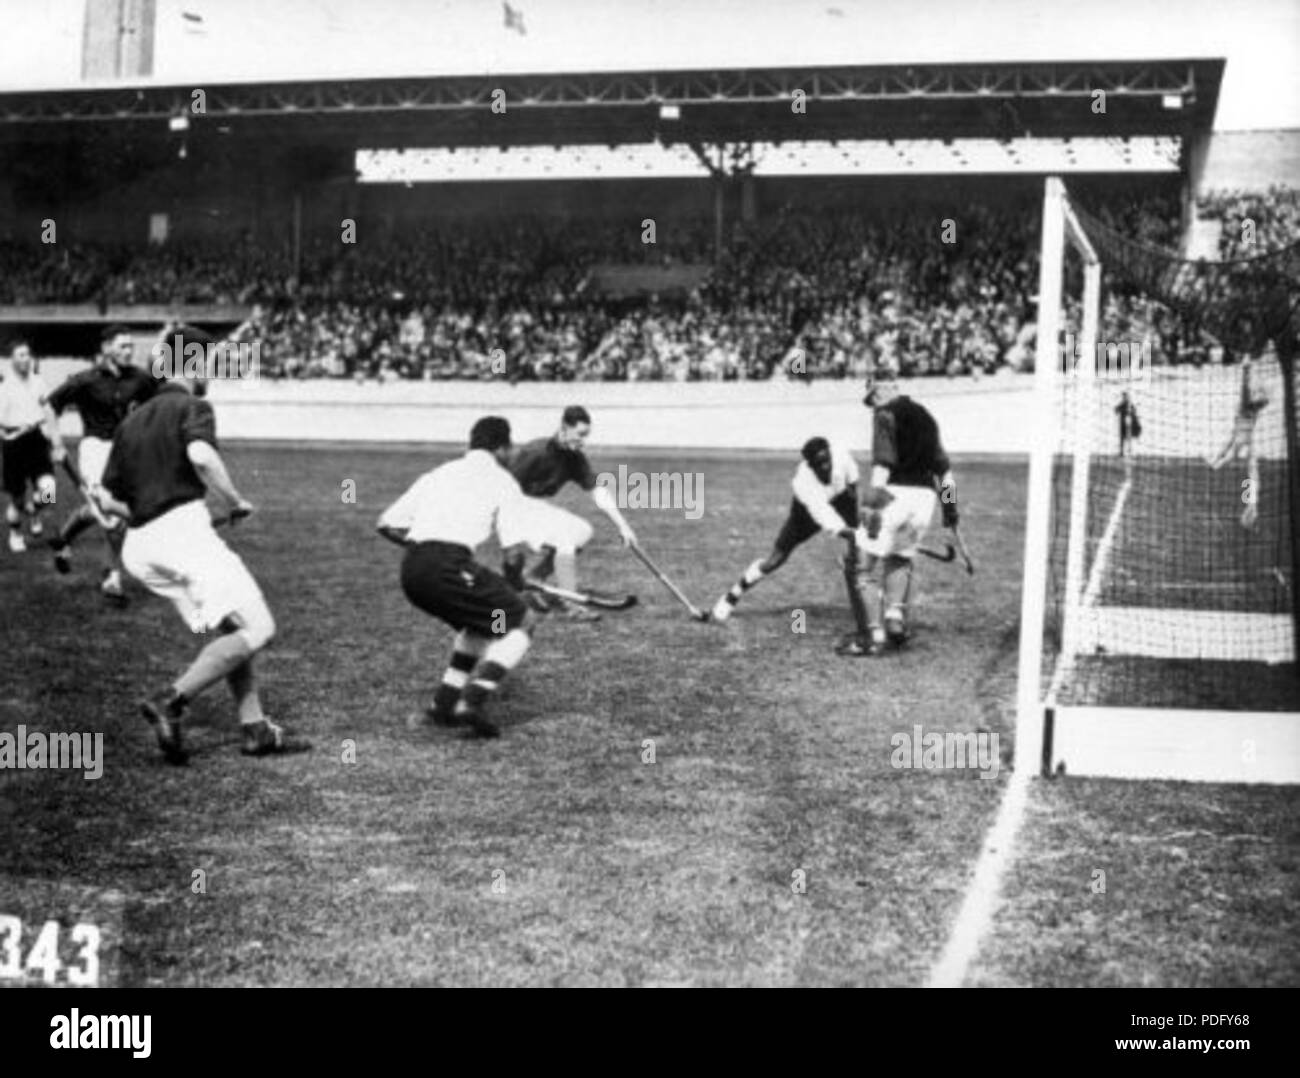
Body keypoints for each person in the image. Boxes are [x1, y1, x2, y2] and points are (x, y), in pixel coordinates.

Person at [96, 327, 295, 763]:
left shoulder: (131, 420)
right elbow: (202, 457)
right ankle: (171, 699)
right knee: (259, 629)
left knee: (232, 624)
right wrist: (234, 500)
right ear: (193, 363)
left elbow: (107, 497)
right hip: (182, 534)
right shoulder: (193, 405)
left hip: (140, 547)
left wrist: (148, 515)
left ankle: (254, 727)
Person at [378, 416, 538, 739]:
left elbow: (386, 524)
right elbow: (513, 555)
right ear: (502, 448)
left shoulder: (439, 473)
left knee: (479, 625)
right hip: (449, 566)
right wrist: (516, 582)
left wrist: (425, 545)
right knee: (523, 619)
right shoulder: (503, 481)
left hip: (412, 571)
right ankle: (472, 701)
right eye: (510, 449)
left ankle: (442, 706)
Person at [839, 369, 959, 657]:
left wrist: (869, 506)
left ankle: (874, 637)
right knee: (899, 559)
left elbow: (882, 465)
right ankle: (894, 622)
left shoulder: (884, 415)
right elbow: (945, 471)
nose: (874, 403)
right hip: (925, 500)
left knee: (861, 567)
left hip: (895, 495)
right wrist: (950, 509)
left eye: (873, 396)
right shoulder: (926, 415)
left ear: (879, 390)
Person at [46, 325, 160, 601]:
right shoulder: (85, 380)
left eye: (131, 346)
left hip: (127, 451)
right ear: (107, 347)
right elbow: (51, 405)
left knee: (104, 510)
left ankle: (63, 537)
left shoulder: (142, 379)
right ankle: (111, 577)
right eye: (122, 346)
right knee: (111, 516)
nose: (129, 351)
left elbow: (158, 406)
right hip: (95, 449)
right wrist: (58, 443)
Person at [504, 406, 637, 622]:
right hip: (512, 510)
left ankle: (533, 578)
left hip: (533, 509)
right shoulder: (534, 452)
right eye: (580, 434)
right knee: (565, 539)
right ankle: (572, 604)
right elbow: (502, 488)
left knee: (583, 531)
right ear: (564, 428)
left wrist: (623, 525)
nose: (583, 441)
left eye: (586, 435)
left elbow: (597, 491)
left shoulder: (574, 458)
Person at [710, 436, 860, 623]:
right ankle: (731, 597)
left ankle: (864, 604)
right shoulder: (803, 482)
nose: (825, 467)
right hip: (805, 513)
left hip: (841, 498)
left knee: (859, 551)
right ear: (810, 465)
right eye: (819, 464)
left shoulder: (842, 456)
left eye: (827, 460)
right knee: (775, 560)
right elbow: (824, 515)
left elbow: (853, 482)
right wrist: (849, 532)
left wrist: (856, 527)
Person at [0, 342, 59, 553]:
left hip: (36, 441)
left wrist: (55, 439)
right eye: (21, 355)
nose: (26, 358)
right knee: (16, 499)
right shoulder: (4, 387)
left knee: (49, 492)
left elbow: (48, 410)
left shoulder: (39, 382)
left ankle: (34, 509)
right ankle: (16, 534)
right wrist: (11, 433)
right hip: (13, 444)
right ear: (12, 360)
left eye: (28, 354)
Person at [1207, 354, 1270, 528]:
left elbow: (1247, 391)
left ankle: (1250, 508)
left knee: (1242, 464)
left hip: (1243, 437)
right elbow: (1260, 398)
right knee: (1250, 471)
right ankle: (1250, 508)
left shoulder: (1246, 405)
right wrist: (1250, 372)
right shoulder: (1252, 407)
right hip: (1246, 438)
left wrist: (1246, 370)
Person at [1115, 391, 1141, 458]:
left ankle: (1130, 452)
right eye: (1123, 397)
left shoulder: (1130, 405)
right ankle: (1121, 452)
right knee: (1122, 439)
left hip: (1129, 424)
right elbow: (1116, 410)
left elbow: (1134, 412)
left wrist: (1130, 413)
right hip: (1122, 424)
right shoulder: (1121, 404)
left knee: (1129, 438)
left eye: (1126, 396)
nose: (1124, 398)